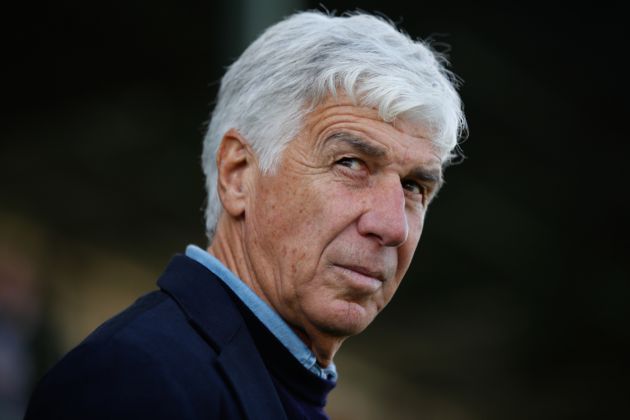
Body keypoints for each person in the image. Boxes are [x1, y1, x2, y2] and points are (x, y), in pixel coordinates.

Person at [24, 10, 466, 420]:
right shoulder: (134, 380)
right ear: (238, 174)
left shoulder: (261, 382)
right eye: (349, 163)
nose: (392, 225)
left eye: (413, 187)